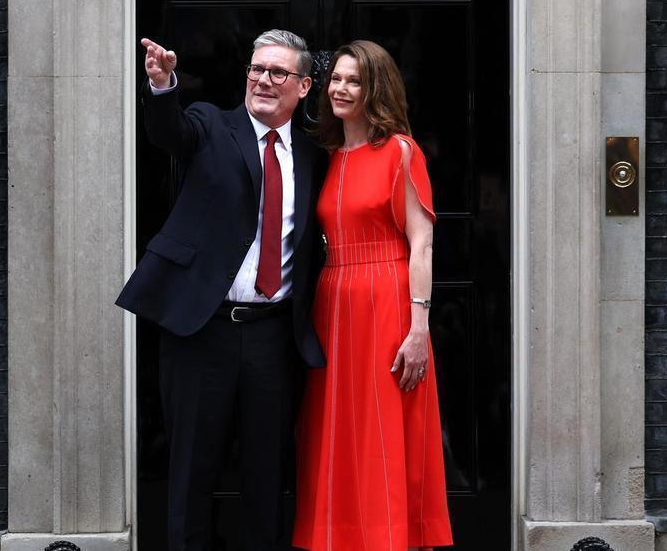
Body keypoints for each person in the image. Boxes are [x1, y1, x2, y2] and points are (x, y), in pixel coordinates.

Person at [116, 30, 327, 551]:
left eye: (278, 73)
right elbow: (170, 133)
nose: (263, 80)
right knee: (191, 469)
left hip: (275, 337)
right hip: (201, 330)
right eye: (257, 69)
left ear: (303, 87)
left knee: (267, 472)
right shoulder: (211, 124)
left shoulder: (316, 154)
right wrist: (162, 84)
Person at [292, 40, 453, 550]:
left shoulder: (400, 151)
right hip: (333, 302)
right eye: (335, 79)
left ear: (375, 88)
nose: (340, 88)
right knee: (337, 433)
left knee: (381, 432)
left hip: (386, 299)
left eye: (353, 81)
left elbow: (422, 243)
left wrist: (419, 328)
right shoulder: (329, 155)